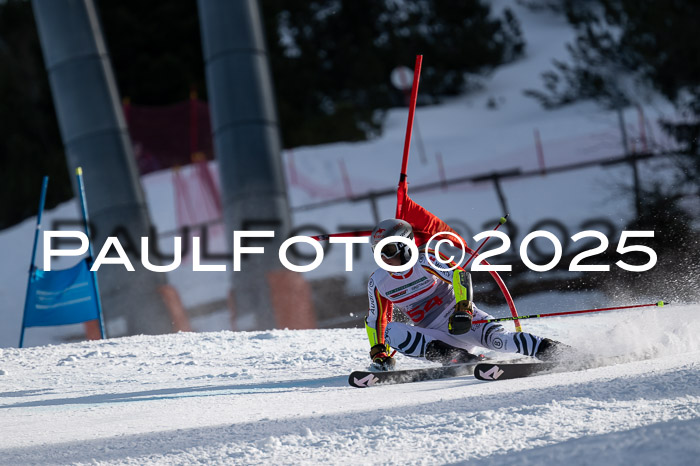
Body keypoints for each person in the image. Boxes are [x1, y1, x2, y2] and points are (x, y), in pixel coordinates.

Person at [365, 218, 566, 371]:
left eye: (388, 249)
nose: (383, 257)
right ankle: (459, 359)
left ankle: (559, 352)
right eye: (377, 251)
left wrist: (463, 309)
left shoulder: (426, 260)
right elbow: (376, 320)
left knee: (501, 341)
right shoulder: (378, 281)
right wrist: (378, 352)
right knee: (392, 331)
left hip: (463, 323)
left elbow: (459, 275)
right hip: (437, 340)